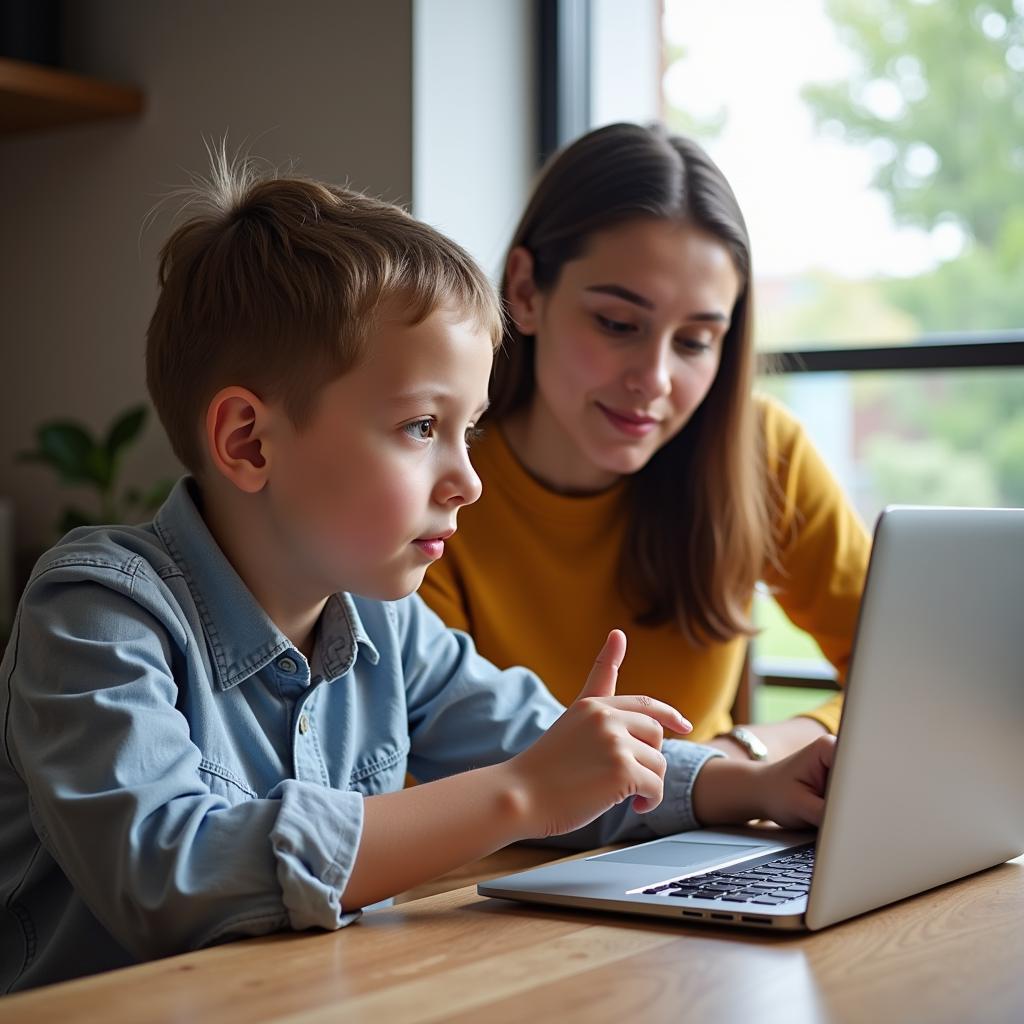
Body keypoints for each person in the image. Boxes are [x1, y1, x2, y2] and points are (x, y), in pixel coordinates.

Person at [0, 153, 834, 993]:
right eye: (420, 426)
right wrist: (518, 796)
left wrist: (747, 782)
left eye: (467, 429)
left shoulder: (384, 623)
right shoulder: (97, 612)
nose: (468, 479)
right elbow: (167, 874)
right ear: (249, 441)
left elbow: (564, 757)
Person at [420, 122, 871, 762]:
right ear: (525, 291)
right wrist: (715, 773)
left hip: (713, 838)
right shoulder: (431, 476)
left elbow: (911, 673)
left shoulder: (761, 451)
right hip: (494, 858)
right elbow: (433, 751)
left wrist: (746, 754)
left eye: (694, 341)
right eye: (618, 323)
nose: (653, 380)